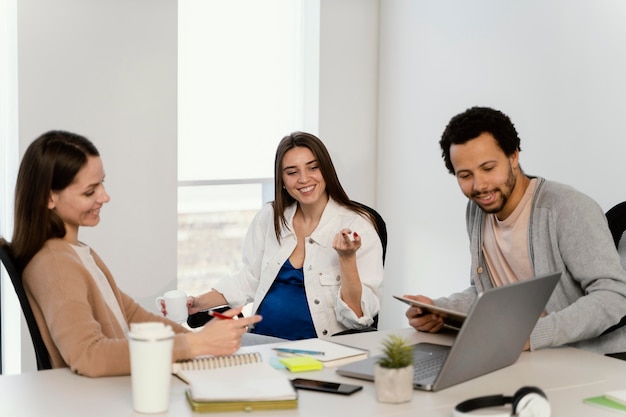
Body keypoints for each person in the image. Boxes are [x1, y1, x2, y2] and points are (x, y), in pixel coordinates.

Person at [4, 130, 261, 377]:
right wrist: (195, 346)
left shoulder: (76, 253)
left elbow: (132, 316)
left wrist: (199, 341)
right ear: (50, 198)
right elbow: (88, 355)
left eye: (102, 183)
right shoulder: (55, 264)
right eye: (90, 191)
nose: (105, 197)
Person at [404, 106, 626, 354]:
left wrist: (534, 335)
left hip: (586, 358)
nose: (479, 185)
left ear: (513, 156)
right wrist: (440, 310)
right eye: (465, 175)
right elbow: (487, 292)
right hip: (521, 355)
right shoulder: (477, 211)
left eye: (488, 168)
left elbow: (614, 295)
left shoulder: (566, 208)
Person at [164, 132, 384, 339]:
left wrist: (347, 258)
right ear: (283, 181)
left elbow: (359, 318)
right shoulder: (270, 217)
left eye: (313, 168)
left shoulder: (358, 226)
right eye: (292, 172)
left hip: (319, 350)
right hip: (260, 342)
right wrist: (197, 303)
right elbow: (249, 279)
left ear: (326, 170)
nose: (304, 179)